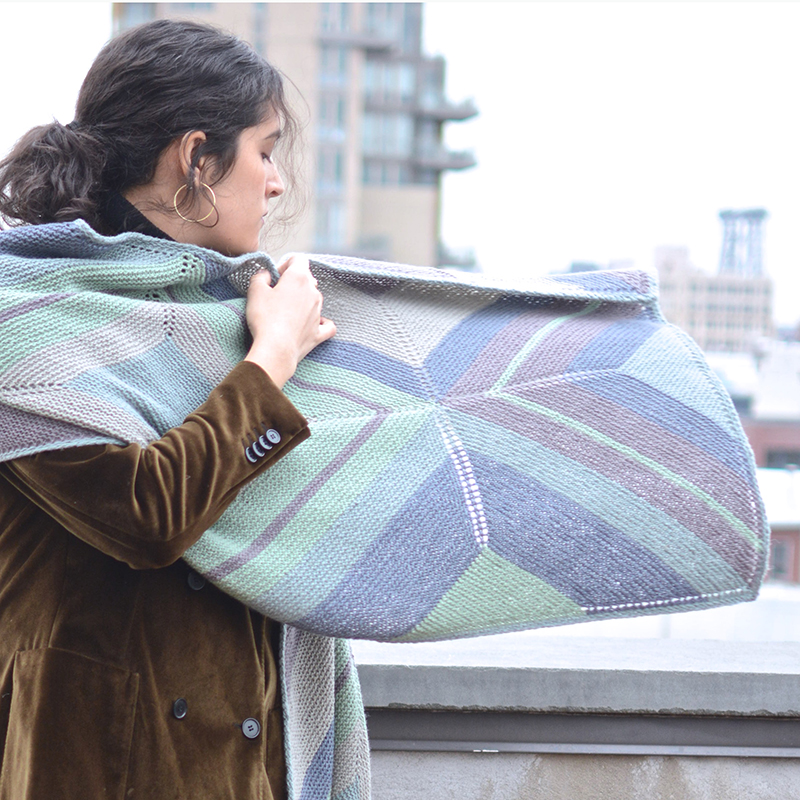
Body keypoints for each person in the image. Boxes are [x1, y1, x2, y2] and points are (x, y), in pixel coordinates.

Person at [0, 18, 351, 800]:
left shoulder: (226, 322)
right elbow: (146, 512)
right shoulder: (25, 321)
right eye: (265, 151)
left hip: (239, 768)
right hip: (93, 762)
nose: (276, 183)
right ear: (196, 158)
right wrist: (272, 360)